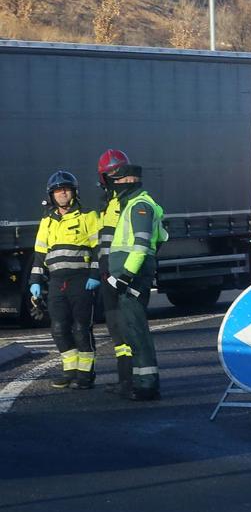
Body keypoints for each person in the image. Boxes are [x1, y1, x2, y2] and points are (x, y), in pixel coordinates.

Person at [103, 154, 169, 401]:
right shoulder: (137, 204)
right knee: (133, 329)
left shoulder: (139, 206)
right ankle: (144, 381)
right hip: (134, 276)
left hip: (131, 278)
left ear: (130, 180)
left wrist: (127, 275)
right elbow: (162, 238)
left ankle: (147, 385)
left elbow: (141, 245)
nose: (115, 185)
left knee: (136, 329)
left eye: (118, 180)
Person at [29, 171, 102, 389]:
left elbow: (99, 249)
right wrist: (35, 281)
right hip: (56, 282)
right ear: (51, 195)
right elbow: (40, 254)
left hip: (81, 280)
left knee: (81, 328)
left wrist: (95, 275)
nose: (62, 194)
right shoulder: (47, 221)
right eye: (58, 191)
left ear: (74, 193)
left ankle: (85, 374)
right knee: (59, 328)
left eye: (66, 190)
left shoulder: (88, 216)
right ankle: (69, 370)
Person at [96, 149, 134, 397]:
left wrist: (127, 272)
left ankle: (135, 380)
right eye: (111, 175)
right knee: (116, 330)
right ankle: (125, 380)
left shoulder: (131, 202)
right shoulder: (108, 203)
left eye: (119, 175)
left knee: (129, 329)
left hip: (122, 274)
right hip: (107, 275)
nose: (115, 180)